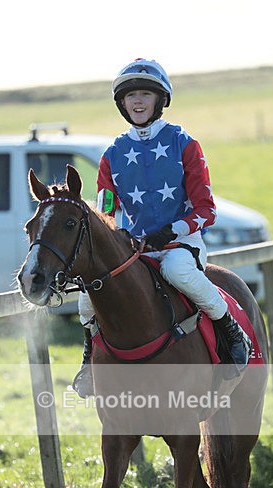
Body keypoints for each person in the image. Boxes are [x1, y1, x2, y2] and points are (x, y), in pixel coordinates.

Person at [73, 58, 251, 398]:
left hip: (181, 245)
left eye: (144, 94)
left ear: (160, 100)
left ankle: (230, 329)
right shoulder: (113, 153)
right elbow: (107, 209)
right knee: (87, 297)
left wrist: (172, 232)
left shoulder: (184, 143)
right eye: (130, 96)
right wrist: (114, 234)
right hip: (135, 250)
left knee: (178, 271)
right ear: (121, 104)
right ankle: (89, 357)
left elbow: (206, 209)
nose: (137, 101)